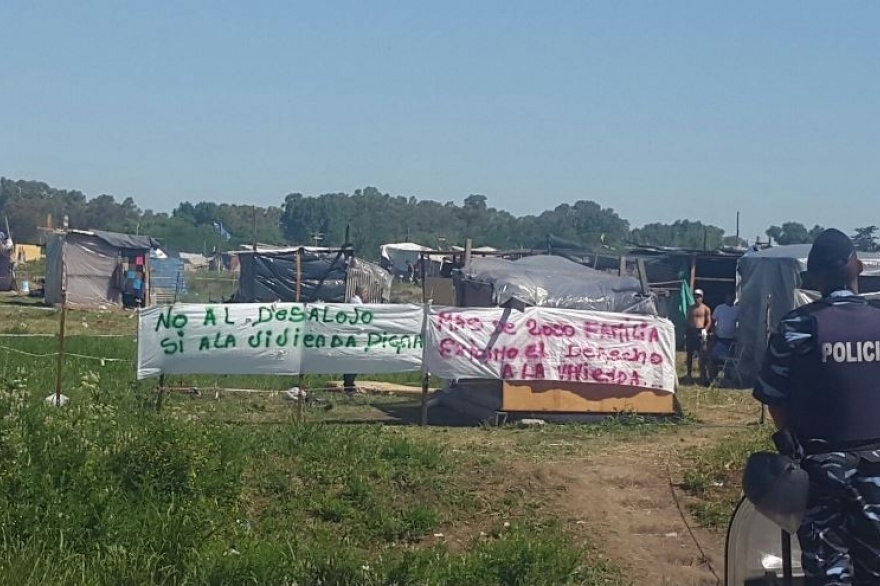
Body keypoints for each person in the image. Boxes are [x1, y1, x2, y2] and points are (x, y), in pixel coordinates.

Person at [754, 228, 880, 585]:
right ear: (858, 267)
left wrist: (795, 443)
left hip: (820, 471)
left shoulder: (797, 326)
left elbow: (773, 397)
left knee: (827, 571)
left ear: (814, 277)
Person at [709, 292, 740, 380]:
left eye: (733, 297)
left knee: (729, 359)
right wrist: (713, 333)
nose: (731, 299)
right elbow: (713, 321)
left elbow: (740, 322)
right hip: (719, 338)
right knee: (715, 357)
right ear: (726, 297)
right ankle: (713, 377)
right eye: (729, 297)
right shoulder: (719, 308)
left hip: (731, 339)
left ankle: (727, 377)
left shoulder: (737, 310)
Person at [685, 288, 712, 384]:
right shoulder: (690, 308)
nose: (697, 298)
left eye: (699, 296)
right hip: (691, 331)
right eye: (695, 296)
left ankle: (702, 374)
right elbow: (688, 319)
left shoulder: (705, 308)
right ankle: (689, 374)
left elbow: (709, 321)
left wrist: (705, 330)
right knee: (689, 354)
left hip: (700, 331)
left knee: (702, 354)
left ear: (702, 297)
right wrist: (687, 330)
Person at [343, 286, 366, 394]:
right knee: (353, 361)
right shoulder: (355, 302)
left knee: (354, 361)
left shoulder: (354, 301)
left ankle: (349, 384)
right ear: (362, 292)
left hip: (354, 336)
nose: (366, 295)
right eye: (365, 292)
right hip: (354, 336)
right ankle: (349, 385)